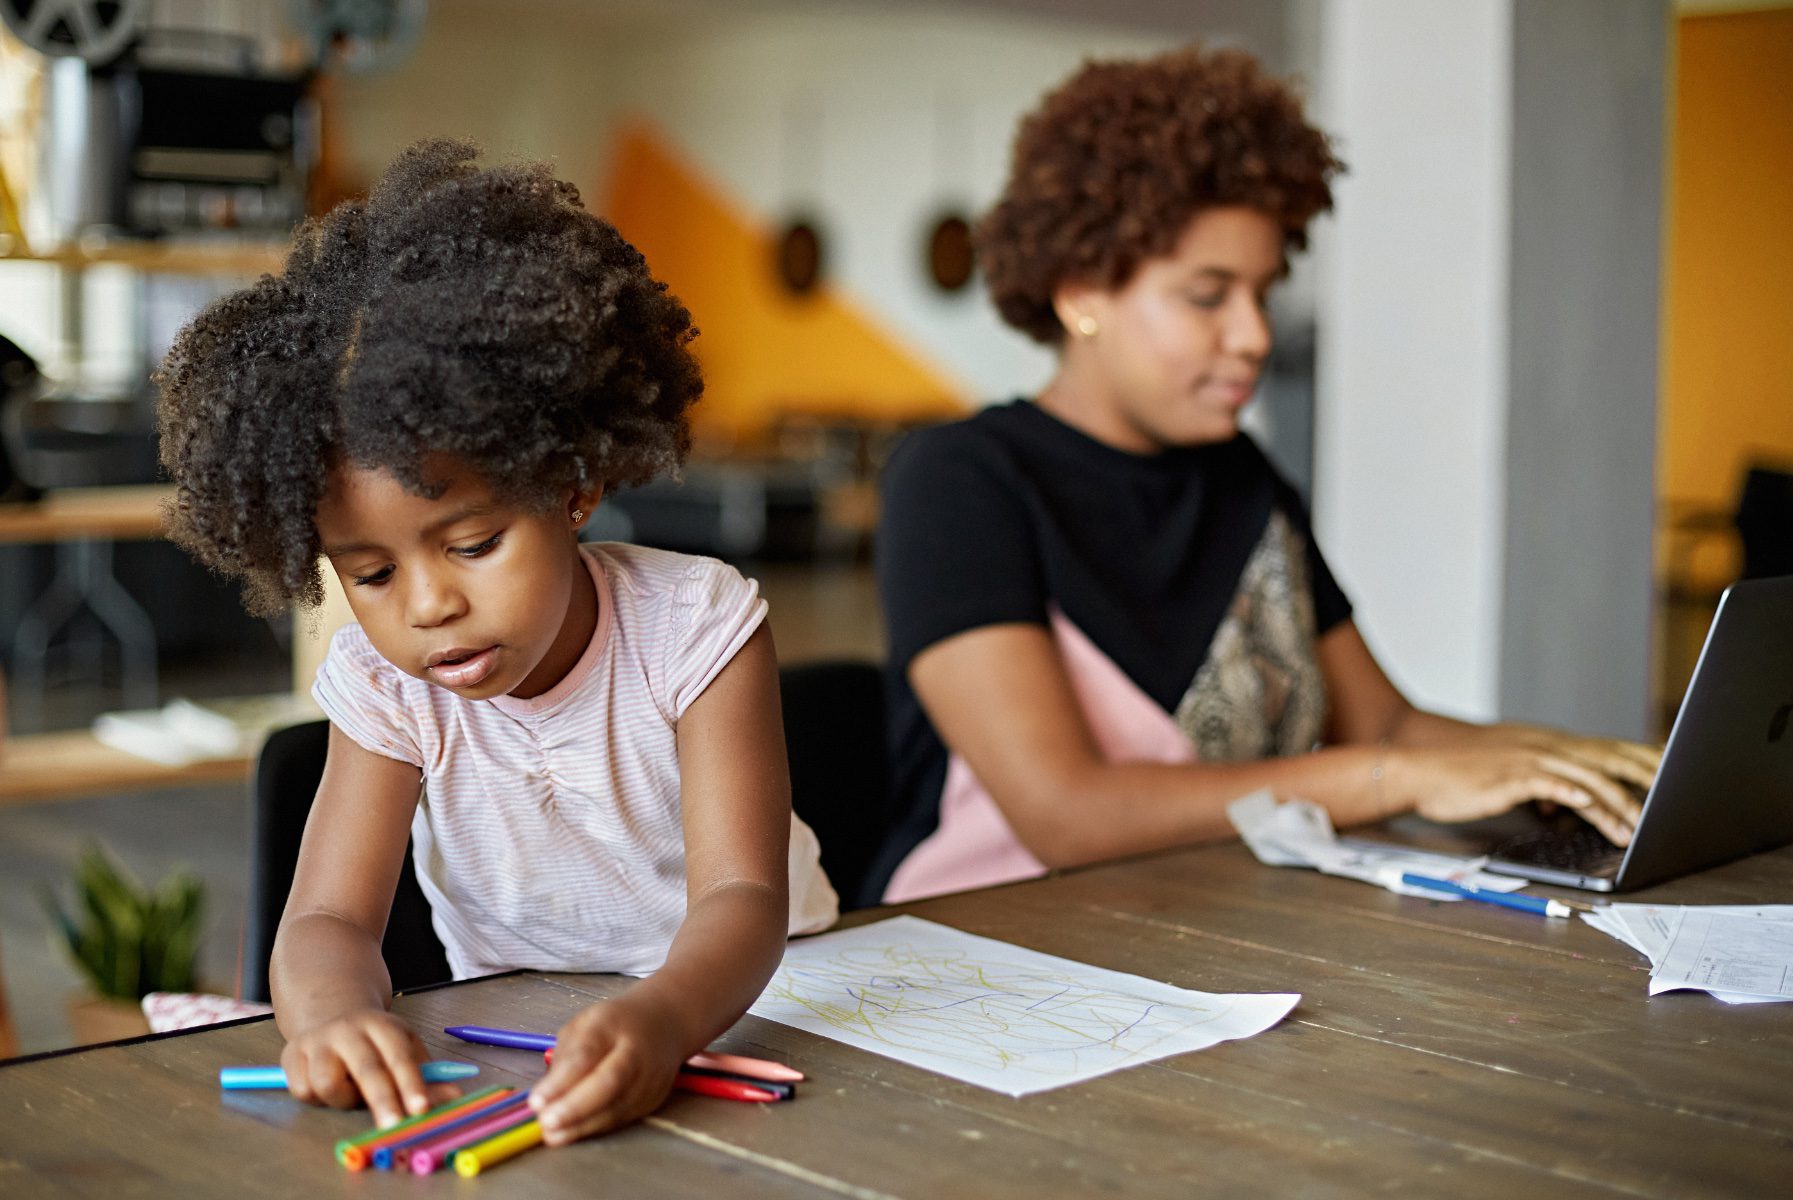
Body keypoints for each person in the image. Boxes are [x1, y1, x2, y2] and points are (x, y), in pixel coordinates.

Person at [155, 139, 837, 1143]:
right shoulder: (387, 689)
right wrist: (331, 1017)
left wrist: (662, 1017)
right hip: (516, 1030)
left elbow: (742, 898)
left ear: (571, 486)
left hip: (762, 1002)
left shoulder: (696, 627)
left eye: (473, 543)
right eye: (372, 574)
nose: (428, 606)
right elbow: (327, 923)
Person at [868, 47, 1659, 906]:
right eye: (1208, 296)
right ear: (1080, 291)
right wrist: (1392, 779)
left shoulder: (1240, 477)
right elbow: (1066, 813)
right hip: (996, 956)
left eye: (1263, 293)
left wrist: (1581, 767)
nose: (1252, 335)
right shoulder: (958, 483)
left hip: (1216, 928)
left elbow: (1386, 723)